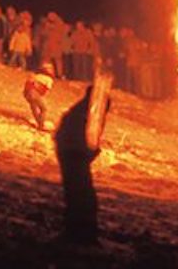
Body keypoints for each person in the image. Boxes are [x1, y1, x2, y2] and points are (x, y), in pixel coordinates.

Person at [54, 85, 110, 245]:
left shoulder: (86, 113)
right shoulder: (80, 116)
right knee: (81, 197)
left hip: (73, 157)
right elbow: (72, 141)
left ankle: (83, 233)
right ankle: (78, 234)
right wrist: (85, 155)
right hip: (73, 158)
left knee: (82, 197)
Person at [24, 62, 54, 130]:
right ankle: (41, 125)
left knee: (34, 108)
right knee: (44, 109)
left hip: (28, 93)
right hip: (36, 93)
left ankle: (39, 123)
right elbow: (46, 90)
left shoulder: (35, 76)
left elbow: (27, 85)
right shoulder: (49, 79)